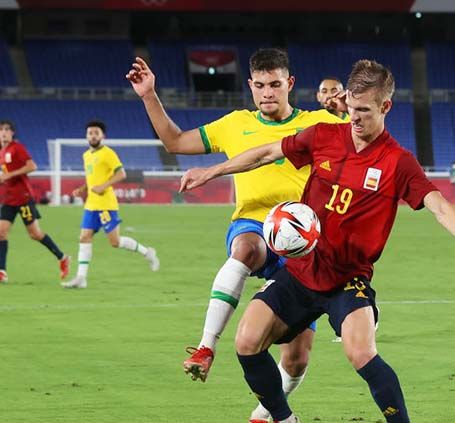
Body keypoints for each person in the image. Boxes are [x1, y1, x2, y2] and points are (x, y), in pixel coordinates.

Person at [179, 59, 455, 423]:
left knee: (360, 353)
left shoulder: (398, 162)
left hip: (348, 280)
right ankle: (283, 418)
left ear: (385, 107)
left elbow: (439, 206)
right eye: (351, 108)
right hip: (300, 271)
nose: (354, 118)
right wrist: (211, 171)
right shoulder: (324, 135)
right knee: (246, 342)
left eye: (364, 111)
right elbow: (265, 153)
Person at [127, 48, 348, 421]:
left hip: (302, 243)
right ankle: (205, 347)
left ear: (289, 84)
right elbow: (176, 142)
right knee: (246, 248)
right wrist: (149, 95)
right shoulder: (234, 124)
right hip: (254, 223)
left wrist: (350, 112)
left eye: (275, 85)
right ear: (250, 85)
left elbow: (373, 139)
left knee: (296, 358)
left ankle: (264, 413)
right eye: (260, 85)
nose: (267, 93)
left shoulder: (317, 123)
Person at [62, 121, 160, 289]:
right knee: (84, 237)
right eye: (90, 133)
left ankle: (147, 252)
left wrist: (103, 186)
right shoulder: (86, 155)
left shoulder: (108, 154)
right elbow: (91, 178)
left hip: (106, 204)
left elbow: (121, 174)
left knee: (114, 242)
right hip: (91, 204)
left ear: (103, 136)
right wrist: (83, 189)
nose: (93, 135)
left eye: (96, 133)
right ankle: (81, 278)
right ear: (86, 136)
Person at [0, 120, 69, 283]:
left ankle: (62, 257)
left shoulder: (17, 148)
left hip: (23, 198)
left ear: (12, 133)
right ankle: (2, 271)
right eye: (1, 129)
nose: (4, 132)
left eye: (7, 129)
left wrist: (10, 175)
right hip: (9, 199)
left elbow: (32, 166)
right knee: (1, 233)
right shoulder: (2, 152)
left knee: (35, 234)